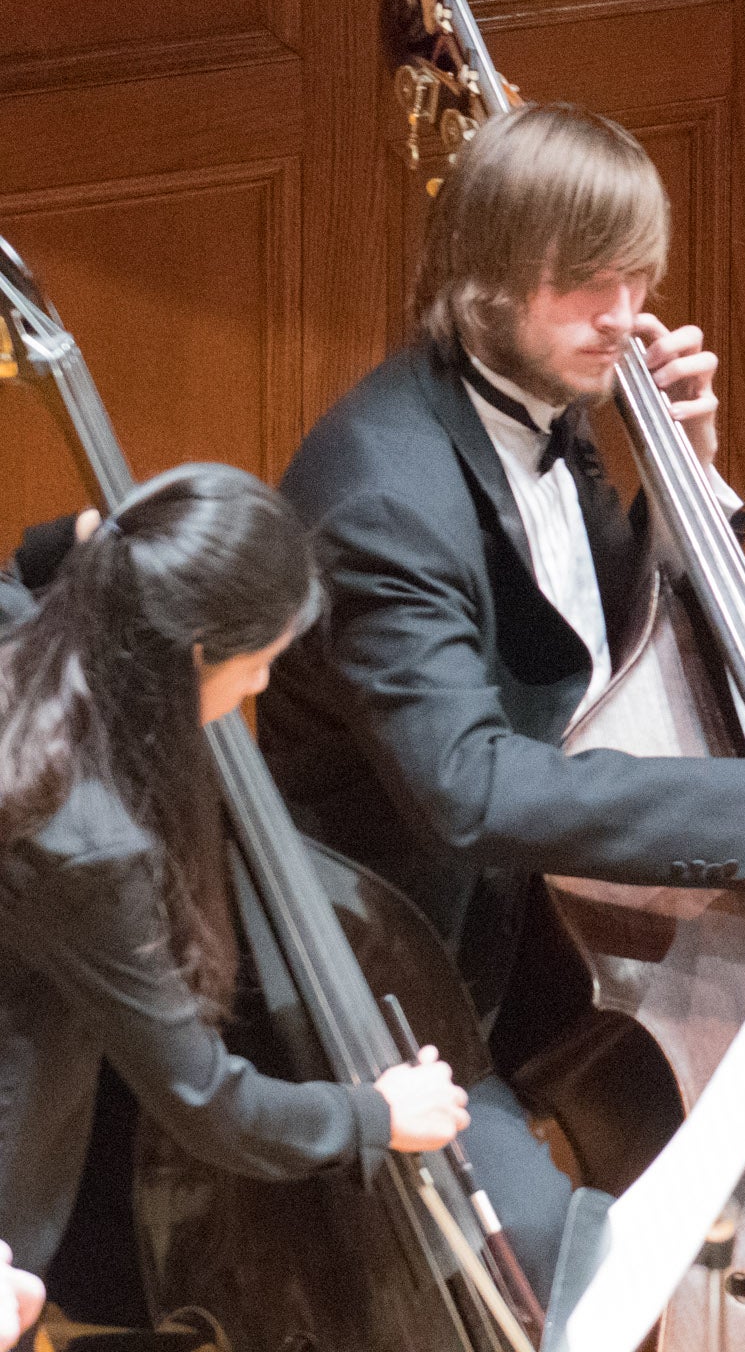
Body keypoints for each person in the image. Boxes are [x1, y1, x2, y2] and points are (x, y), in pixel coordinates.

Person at [258, 101, 745, 1291]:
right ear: (483, 282)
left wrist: (691, 472)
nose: (624, 316)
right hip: (408, 976)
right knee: (565, 1274)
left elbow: (593, 652)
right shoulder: (382, 499)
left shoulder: (548, 405)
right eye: (585, 286)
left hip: (543, 919)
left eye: (638, 278)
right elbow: (466, 785)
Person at [0, 465, 469, 1277]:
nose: (258, 687)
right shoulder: (90, 850)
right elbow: (204, 1100)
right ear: (189, 655)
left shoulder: (25, 636)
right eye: (257, 665)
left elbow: (26, 567)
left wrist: (100, 543)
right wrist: (376, 1114)